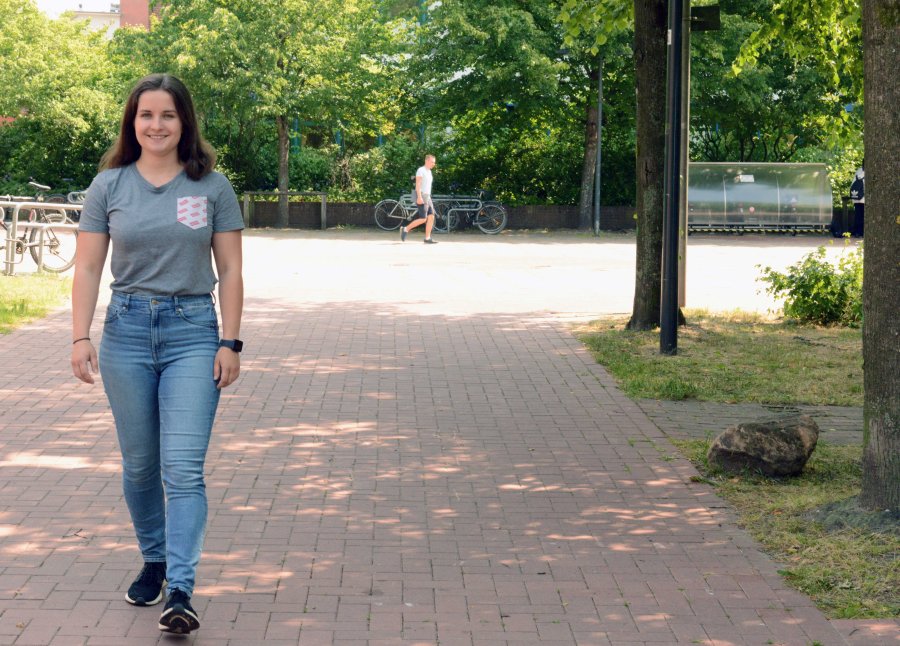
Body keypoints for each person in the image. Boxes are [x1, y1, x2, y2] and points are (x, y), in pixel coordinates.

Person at [70, 73, 244, 635]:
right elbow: (90, 267)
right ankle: (155, 558)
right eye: (146, 115)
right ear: (133, 122)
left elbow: (232, 270)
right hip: (125, 331)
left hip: (194, 331)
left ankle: (182, 589)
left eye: (168, 115)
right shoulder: (110, 186)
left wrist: (230, 341)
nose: (157, 125)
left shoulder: (210, 186)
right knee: (141, 464)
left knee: (183, 467)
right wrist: (80, 336)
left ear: (184, 122)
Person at [400, 153, 438, 244]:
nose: (434, 164)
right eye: (432, 162)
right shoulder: (421, 170)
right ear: (427, 161)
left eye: (434, 162)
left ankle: (427, 238)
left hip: (427, 196)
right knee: (423, 218)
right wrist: (419, 197)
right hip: (420, 195)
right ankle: (405, 229)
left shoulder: (429, 171)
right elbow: (418, 184)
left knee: (431, 216)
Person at [849, 161, 864, 237]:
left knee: (858, 216)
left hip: (856, 198)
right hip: (863, 199)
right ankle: (862, 232)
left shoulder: (859, 170)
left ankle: (858, 232)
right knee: (863, 216)